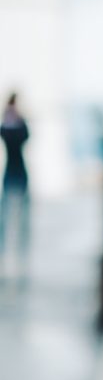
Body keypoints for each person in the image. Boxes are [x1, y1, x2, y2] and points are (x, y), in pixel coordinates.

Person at [0, 92, 30, 262]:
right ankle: (6, 249)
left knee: (21, 214)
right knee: (6, 215)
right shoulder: (8, 124)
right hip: (12, 171)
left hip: (17, 171)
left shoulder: (16, 124)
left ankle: (19, 248)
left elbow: (25, 136)